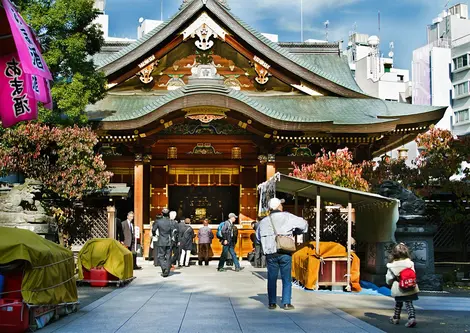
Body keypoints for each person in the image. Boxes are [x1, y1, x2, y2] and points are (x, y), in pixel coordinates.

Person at [257, 198, 308, 310]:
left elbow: (258, 237)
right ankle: (286, 302)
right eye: (281, 204)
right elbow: (304, 224)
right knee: (286, 278)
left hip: (270, 252)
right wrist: (295, 231)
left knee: (271, 278)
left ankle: (272, 303)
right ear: (279, 206)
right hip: (285, 250)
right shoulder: (287, 216)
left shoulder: (264, 221)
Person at [386, 243, 419, 328]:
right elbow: (413, 273)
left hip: (399, 286)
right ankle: (412, 317)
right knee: (409, 303)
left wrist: (390, 282)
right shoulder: (410, 263)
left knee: (398, 302)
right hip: (410, 285)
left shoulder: (392, 265)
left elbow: (389, 278)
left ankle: (396, 318)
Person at [155, 208, 177, 277]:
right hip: (169, 240)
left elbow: (153, 229)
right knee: (168, 256)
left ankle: (164, 268)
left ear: (162, 214)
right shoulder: (171, 222)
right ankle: (167, 269)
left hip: (161, 240)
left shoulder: (158, 221)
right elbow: (174, 231)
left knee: (160, 256)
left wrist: (154, 234)